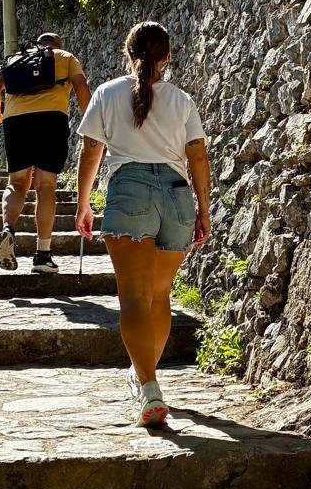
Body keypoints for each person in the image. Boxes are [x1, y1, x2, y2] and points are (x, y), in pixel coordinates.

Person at [75, 21, 211, 428]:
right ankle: (145, 378)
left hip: (130, 191)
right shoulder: (182, 100)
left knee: (134, 298)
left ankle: (148, 387)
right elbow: (198, 157)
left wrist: (83, 202)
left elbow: (91, 151)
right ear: (166, 57)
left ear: (127, 53)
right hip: (176, 196)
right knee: (159, 296)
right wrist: (203, 211)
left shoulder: (107, 93)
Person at [0, 31, 92, 274]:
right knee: (45, 186)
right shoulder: (64, 56)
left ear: (37, 44)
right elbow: (81, 86)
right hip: (51, 120)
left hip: (16, 122)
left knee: (17, 183)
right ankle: (42, 255)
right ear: (56, 44)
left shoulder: (15, 59)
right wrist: (91, 119)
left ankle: (8, 228)